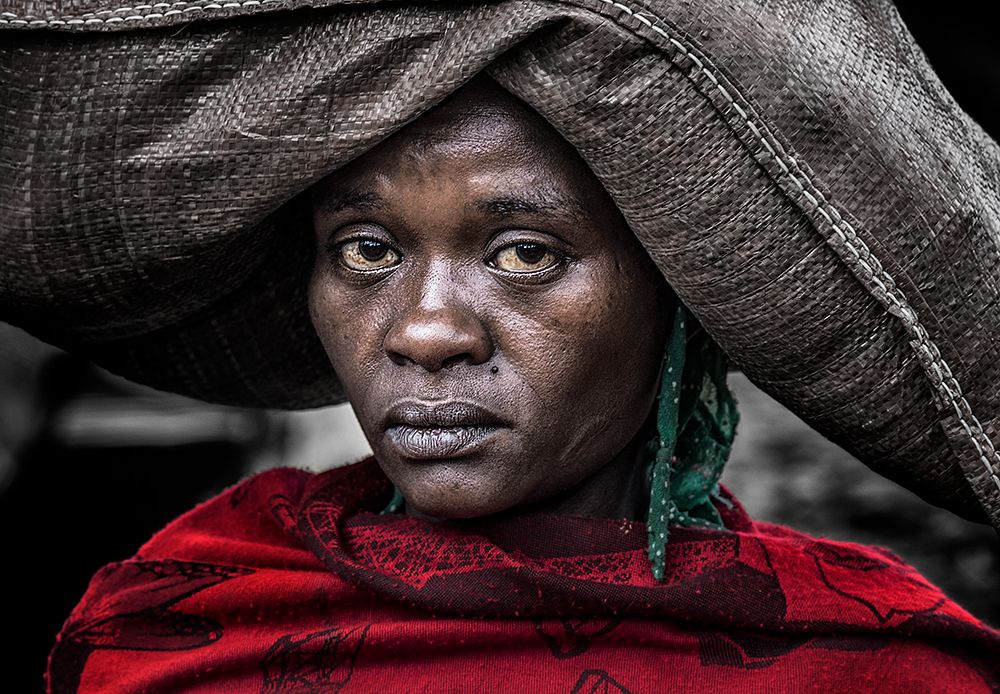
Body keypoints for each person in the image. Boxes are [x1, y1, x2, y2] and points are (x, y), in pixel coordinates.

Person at [44, 78, 998, 693]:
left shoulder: (881, 667)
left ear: (678, 300)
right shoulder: (188, 609)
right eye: (367, 250)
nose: (425, 331)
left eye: (525, 254)